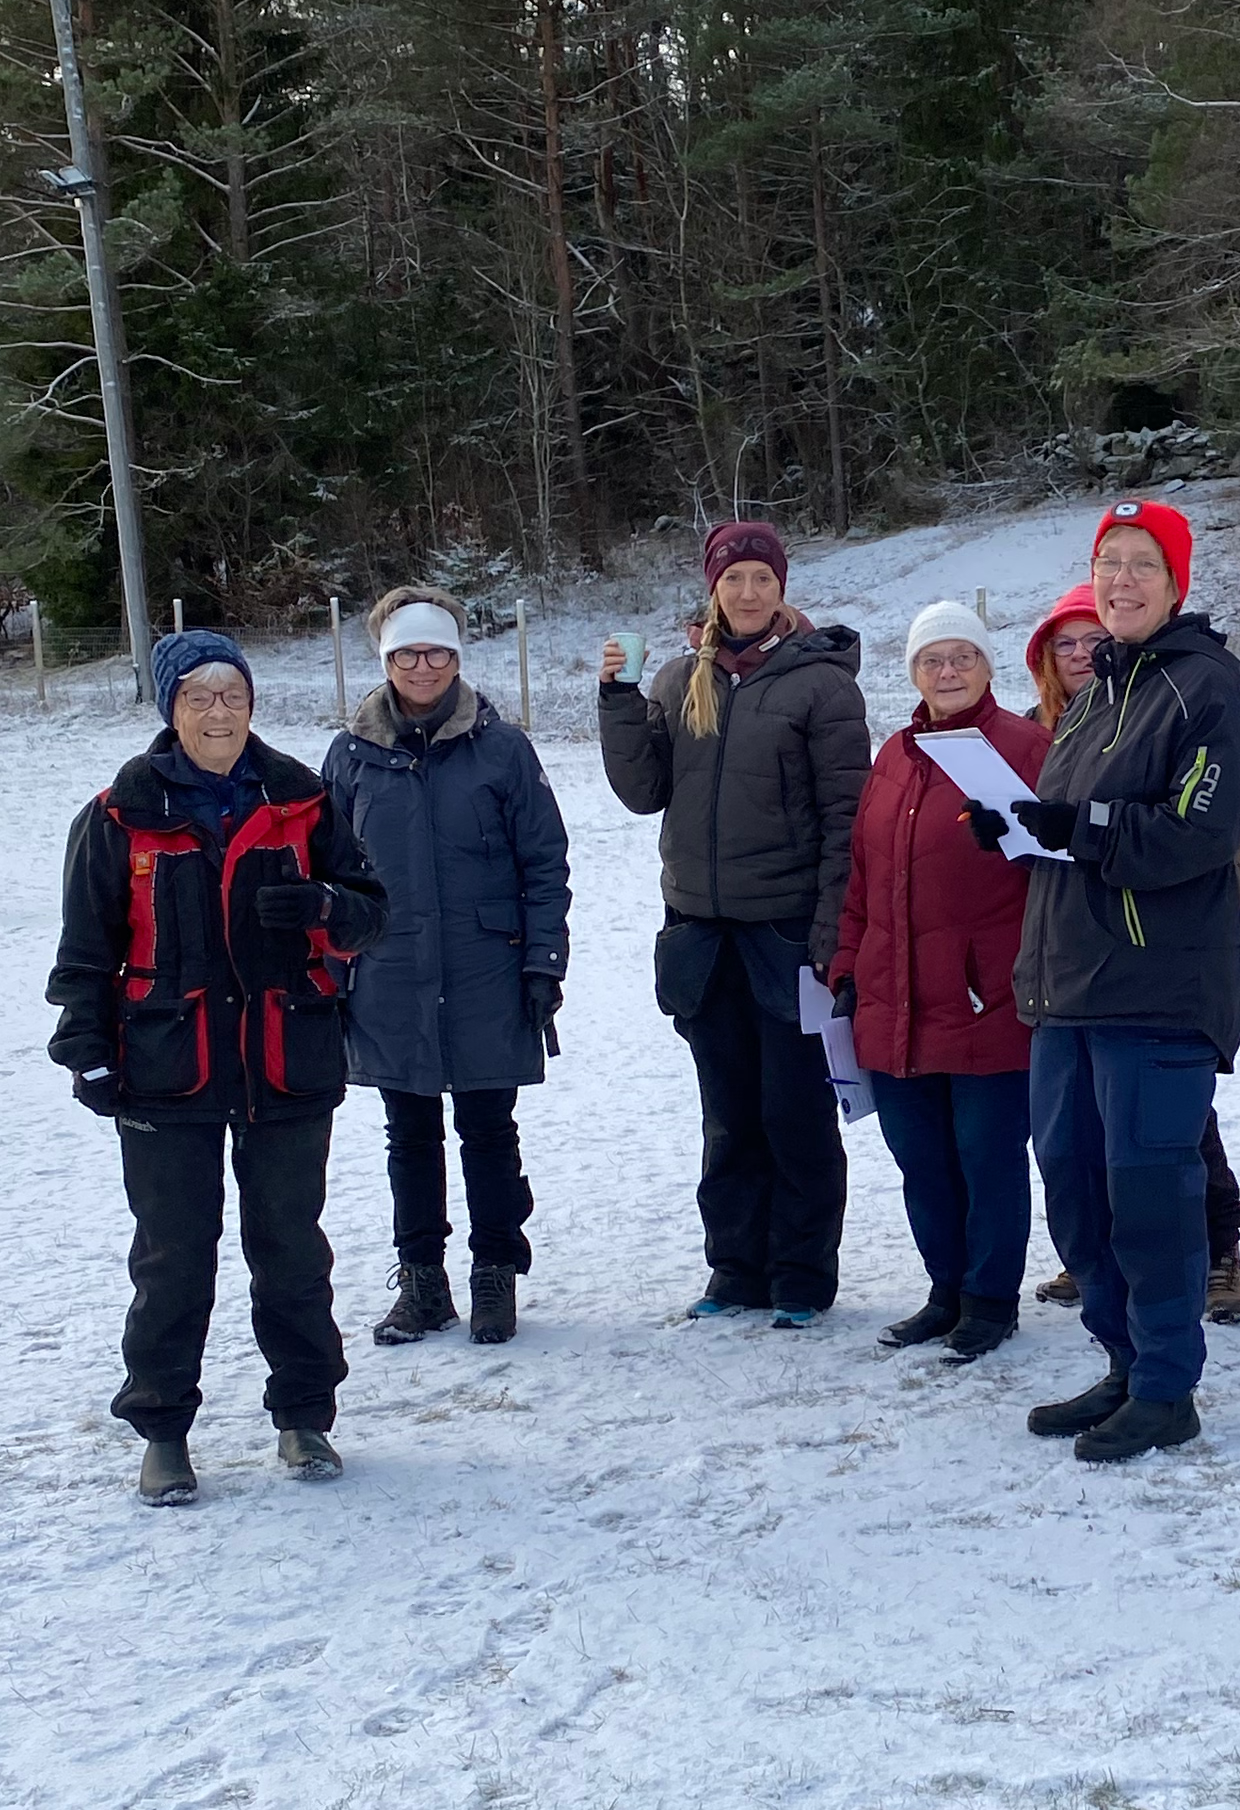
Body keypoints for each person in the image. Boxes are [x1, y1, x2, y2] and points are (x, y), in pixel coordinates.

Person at [47, 629, 387, 1506]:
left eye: (231, 694)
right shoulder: (119, 813)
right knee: (171, 1257)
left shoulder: (304, 800)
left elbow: (369, 913)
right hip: (168, 1067)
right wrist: (84, 1048)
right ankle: (163, 1432)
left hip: (286, 1060)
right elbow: (86, 949)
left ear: (252, 704)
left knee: (292, 1250)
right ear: (170, 708)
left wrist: (324, 903)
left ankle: (304, 1417)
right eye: (197, 696)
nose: (217, 711)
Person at [1011, 500, 1240, 1461]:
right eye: (1108, 562)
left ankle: (1166, 1386)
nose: (1120, 580)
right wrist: (1024, 829)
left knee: (1149, 1199)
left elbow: (1200, 833)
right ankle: (1120, 1363)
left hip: (1156, 989)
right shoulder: (1100, 694)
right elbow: (1069, 823)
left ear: (1177, 581)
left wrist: (1085, 833)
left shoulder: (1205, 692)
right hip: (1067, 988)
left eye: (1141, 563)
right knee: (1076, 1194)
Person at [599, 522, 870, 1327]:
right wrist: (619, 701)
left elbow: (844, 819)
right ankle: (736, 1270)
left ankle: (800, 1276)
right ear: (713, 588)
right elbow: (644, 790)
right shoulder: (684, 677)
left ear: (781, 586)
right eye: (733, 579)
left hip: (785, 933)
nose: (747, 592)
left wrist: (831, 934)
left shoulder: (823, 685)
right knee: (727, 1116)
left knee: (795, 1115)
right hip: (698, 934)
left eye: (761, 578)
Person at [323, 587, 572, 1349]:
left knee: (489, 1130)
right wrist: (333, 971)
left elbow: (544, 862)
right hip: (390, 971)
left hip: (486, 968)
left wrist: (543, 962)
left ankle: (495, 1270)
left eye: (436, 653)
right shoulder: (350, 755)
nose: (422, 666)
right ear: (386, 661)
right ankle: (422, 1281)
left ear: (457, 660)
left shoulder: (502, 749)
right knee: (409, 1133)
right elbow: (328, 874)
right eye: (406, 654)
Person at [829, 600, 1046, 1362]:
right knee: (920, 1158)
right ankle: (945, 1289)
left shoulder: (1024, 748)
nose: (946, 672)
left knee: (986, 1158)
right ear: (913, 671)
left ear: (988, 666)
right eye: (931, 660)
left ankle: (990, 1298)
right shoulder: (894, 755)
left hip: (987, 998)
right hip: (896, 1000)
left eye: (962, 657)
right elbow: (863, 876)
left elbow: (1053, 871)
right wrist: (849, 965)